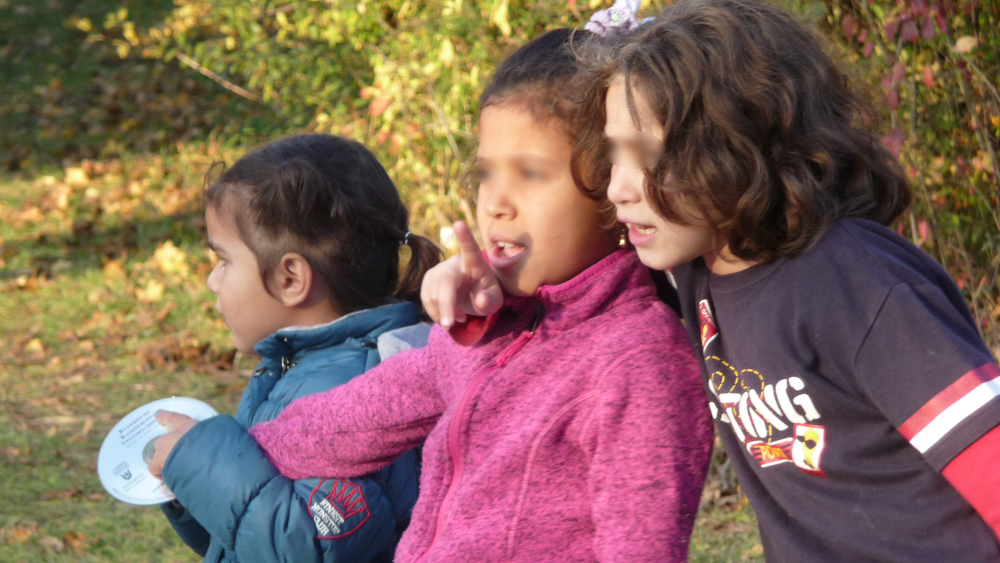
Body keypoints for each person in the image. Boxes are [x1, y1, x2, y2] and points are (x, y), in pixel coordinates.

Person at [245, 29, 714, 562]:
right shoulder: (491, 329)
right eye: (487, 172)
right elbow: (354, 422)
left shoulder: (637, 359)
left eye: (530, 173)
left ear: (614, 189)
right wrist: (226, 451)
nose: (494, 203)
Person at [592, 0, 1000, 560]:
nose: (617, 187)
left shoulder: (853, 281)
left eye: (644, 152)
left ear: (741, 139)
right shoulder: (693, 267)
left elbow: (989, 458)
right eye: (613, 151)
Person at [145, 133, 442, 563]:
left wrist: (198, 461)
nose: (212, 280)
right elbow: (246, 534)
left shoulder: (357, 397)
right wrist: (189, 485)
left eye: (224, 261)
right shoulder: (294, 369)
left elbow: (307, 547)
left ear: (291, 279)